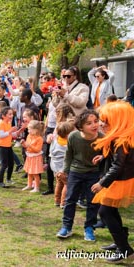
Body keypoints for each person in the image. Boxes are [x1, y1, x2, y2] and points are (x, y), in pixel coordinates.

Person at [91, 102, 134, 263]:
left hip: (119, 181)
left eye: (105, 121)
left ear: (118, 121)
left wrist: (102, 183)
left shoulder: (121, 141)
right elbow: (119, 160)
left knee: (105, 212)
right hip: (120, 179)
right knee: (111, 211)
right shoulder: (121, 138)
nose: (101, 124)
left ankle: (125, 251)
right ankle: (120, 242)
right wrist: (103, 157)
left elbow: (117, 167)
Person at [56, 110, 103, 241]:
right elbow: (69, 155)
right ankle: (66, 227)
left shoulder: (102, 138)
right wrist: (64, 171)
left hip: (94, 174)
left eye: (96, 121)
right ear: (80, 126)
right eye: (89, 123)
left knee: (93, 202)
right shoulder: (73, 137)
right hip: (76, 172)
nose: (94, 125)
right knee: (70, 200)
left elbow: (108, 157)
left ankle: (89, 228)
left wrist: (102, 174)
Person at [51, 121, 75, 208]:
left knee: (59, 183)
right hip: (64, 168)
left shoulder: (56, 139)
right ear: (68, 134)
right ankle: (63, 202)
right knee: (67, 184)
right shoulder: (68, 143)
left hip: (55, 167)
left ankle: (57, 200)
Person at [0, 106, 18, 188]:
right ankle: (0, 182)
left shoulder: (8, 123)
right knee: (4, 165)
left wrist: (20, 130)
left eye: (12, 114)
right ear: (3, 116)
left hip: (8, 146)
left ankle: (8, 179)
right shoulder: (1, 123)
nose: (11, 116)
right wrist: (10, 131)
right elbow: (1, 135)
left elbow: (12, 134)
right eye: (9, 114)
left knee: (11, 164)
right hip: (2, 146)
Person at [21, 120, 45, 193]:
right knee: (29, 172)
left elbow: (38, 150)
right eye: (28, 129)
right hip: (30, 156)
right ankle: (29, 185)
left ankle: (37, 188)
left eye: (30, 129)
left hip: (36, 157)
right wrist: (23, 144)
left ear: (36, 130)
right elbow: (27, 147)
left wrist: (29, 145)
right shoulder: (29, 136)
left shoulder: (39, 139)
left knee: (35, 173)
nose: (28, 131)